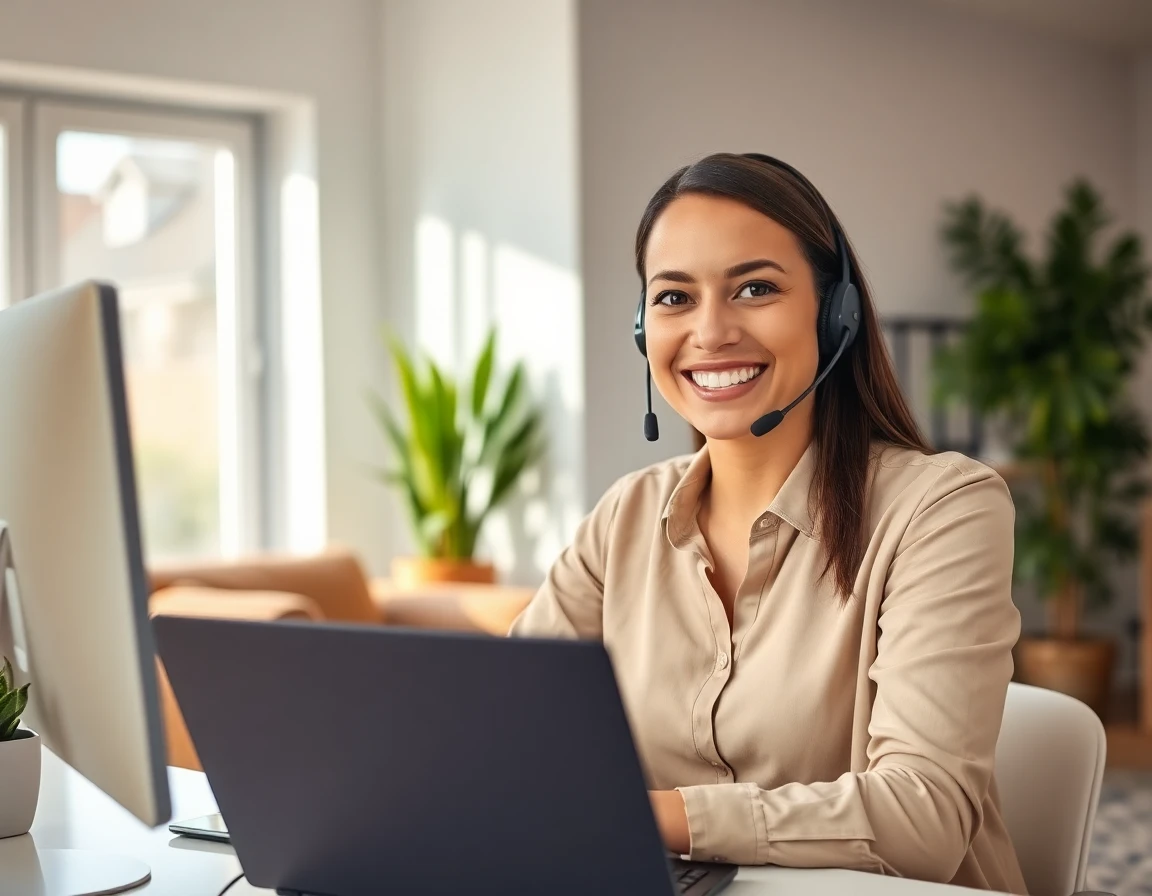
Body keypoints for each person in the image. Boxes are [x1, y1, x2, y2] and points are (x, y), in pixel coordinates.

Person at [508, 152, 1027, 894]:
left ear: (834, 310)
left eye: (755, 288)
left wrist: (642, 815)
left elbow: (923, 818)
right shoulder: (624, 517)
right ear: (641, 329)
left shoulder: (942, 509)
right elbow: (504, 739)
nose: (711, 332)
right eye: (674, 298)